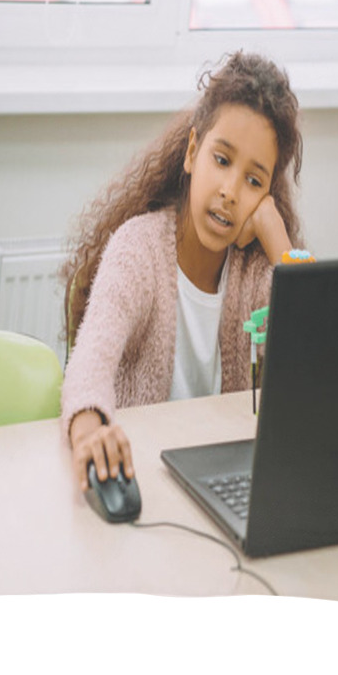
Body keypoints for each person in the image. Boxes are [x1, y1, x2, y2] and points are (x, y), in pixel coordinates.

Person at [58, 51, 305, 493]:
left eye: (254, 181)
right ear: (193, 153)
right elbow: (88, 364)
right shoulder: (139, 251)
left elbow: (321, 361)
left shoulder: (257, 275)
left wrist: (277, 238)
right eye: (222, 160)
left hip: (224, 485)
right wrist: (90, 433)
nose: (230, 192)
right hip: (140, 476)